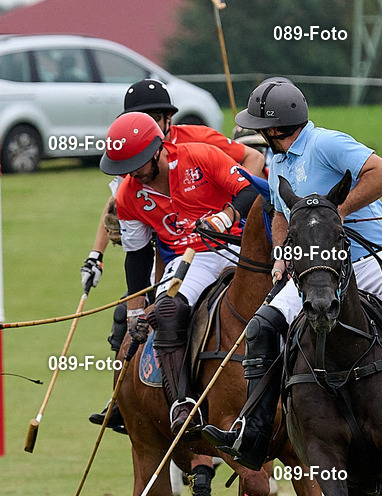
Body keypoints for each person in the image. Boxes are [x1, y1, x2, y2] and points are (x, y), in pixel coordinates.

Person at [202, 79, 382, 470]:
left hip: (369, 255)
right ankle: (253, 430)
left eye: (260, 125)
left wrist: (339, 210)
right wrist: (281, 256)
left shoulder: (327, 143)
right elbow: (278, 213)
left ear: (276, 128)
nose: (257, 131)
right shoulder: (277, 162)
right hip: (313, 270)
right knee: (262, 327)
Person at [85, 79, 266, 429]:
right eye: (125, 167)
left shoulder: (200, 153)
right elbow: (136, 255)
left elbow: (248, 192)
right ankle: (182, 402)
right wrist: (137, 311)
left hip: (241, 246)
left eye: (137, 164)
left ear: (156, 149)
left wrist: (224, 215)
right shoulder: (129, 194)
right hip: (194, 257)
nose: (132, 174)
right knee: (166, 310)